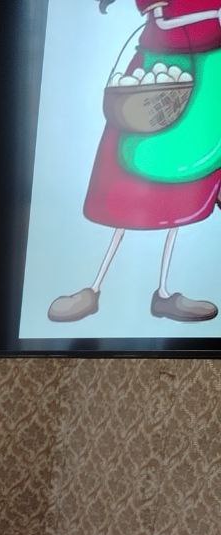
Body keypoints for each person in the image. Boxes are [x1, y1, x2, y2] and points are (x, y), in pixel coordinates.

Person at [49, 0, 221, 323]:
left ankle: (164, 293)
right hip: (160, 62)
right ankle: (94, 288)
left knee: (186, 179)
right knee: (130, 177)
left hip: (209, 62)